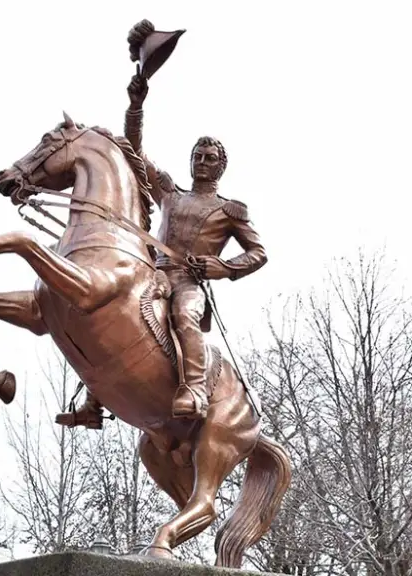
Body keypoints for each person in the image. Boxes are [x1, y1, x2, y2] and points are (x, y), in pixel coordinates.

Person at [55, 21, 268, 426]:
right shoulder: (170, 192)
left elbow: (259, 253)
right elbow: (134, 151)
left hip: (188, 281)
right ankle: (93, 404)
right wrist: (136, 105)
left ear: (221, 166)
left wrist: (222, 268)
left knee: (185, 317)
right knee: (101, 306)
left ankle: (192, 389)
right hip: (152, 273)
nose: (202, 162)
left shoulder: (231, 210)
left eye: (210, 158)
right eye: (198, 156)